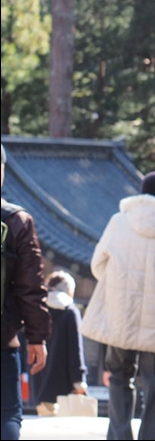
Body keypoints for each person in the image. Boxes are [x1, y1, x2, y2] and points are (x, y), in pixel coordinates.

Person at [81, 171, 155, 440]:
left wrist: (117, 285)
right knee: (154, 383)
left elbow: (97, 264)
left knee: (118, 377)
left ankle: (119, 435)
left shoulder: (120, 220)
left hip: (120, 312)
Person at [1, 143, 51, 441]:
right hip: (2, 338)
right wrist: (37, 337)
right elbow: (30, 287)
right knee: (6, 413)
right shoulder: (15, 220)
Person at [33, 271, 86, 416]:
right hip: (64, 390)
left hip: (39, 385)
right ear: (69, 291)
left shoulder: (38, 308)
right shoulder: (70, 311)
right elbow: (76, 349)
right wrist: (79, 381)